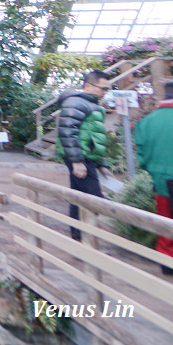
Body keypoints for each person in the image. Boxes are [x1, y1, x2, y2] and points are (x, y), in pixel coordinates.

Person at [56, 69, 111, 240]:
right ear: (87, 86)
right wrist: (77, 161)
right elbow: (67, 131)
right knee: (95, 200)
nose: (105, 92)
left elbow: (92, 137)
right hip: (80, 158)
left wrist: (101, 163)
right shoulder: (76, 102)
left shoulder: (91, 105)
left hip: (86, 158)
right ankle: (87, 238)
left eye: (107, 89)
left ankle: (79, 236)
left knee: (79, 196)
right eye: (102, 88)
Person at [135, 81, 173, 274]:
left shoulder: (147, 121)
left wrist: (153, 170)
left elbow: (141, 155)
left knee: (165, 220)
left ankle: (168, 263)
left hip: (162, 181)